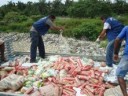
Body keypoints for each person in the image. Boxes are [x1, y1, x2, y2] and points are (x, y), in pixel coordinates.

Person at [113, 26, 128, 96]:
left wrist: (116, 53)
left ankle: (125, 94)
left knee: (120, 75)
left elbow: (117, 39)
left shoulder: (127, 28)